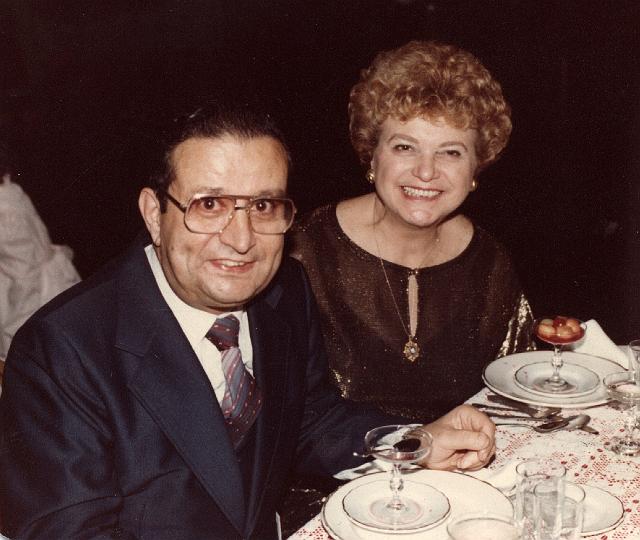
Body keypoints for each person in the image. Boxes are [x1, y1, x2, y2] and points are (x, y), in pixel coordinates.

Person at [0, 105, 496, 540]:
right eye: (210, 205)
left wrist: (415, 442)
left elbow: (308, 419)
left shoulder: (282, 290)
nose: (241, 240)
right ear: (154, 213)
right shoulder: (61, 351)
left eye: (262, 205)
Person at [289, 40, 534, 422]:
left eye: (451, 152)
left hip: (460, 475)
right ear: (372, 154)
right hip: (335, 478)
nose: (425, 171)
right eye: (405, 147)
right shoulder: (304, 252)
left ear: (475, 170)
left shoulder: (490, 263)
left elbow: (513, 400)